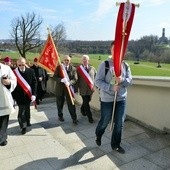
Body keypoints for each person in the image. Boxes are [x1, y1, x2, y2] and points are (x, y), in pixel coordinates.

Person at [95, 41, 132, 154]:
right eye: (114, 49)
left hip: (121, 99)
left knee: (119, 123)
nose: (116, 52)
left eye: (119, 50)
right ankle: (99, 134)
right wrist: (111, 87)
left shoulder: (125, 65)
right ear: (111, 51)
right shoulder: (105, 64)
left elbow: (130, 80)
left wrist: (123, 80)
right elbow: (97, 81)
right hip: (107, 99)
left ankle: (115, 145)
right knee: (105, 121)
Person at [12, 57, 37, 134]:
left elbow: (34, 83)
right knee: (21, 112)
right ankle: (23, 126)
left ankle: (28, 121)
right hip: (19, 97)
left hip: (28, 95)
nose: (21, 66)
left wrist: (34, 94)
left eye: (23, 64)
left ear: (25, 63)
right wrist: (12, 98)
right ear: (17, 64)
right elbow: (12, 86)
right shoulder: (13, 73)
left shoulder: (31, 71)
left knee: (27, 109)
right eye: (19, 65)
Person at [53, 55, 78, 125]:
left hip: (69, 89)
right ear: (63, 60)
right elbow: (54, 77)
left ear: (70, 61)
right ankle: (60, 116)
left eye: (68, 60)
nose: (66, 61)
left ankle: (74, 118)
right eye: (65, 60)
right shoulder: (59, 68)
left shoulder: (73, 69)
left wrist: (69, 83)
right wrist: (61, 80)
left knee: (71, 104)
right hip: (59, 89)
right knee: (59, 104)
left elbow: (75, 79)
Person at [0, 63, 17, 146]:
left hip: (4, 99)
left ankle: (2, 139)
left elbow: (14, 80)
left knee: (4, 120)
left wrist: (8, 82)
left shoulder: (6, 68)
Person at [77, 55, 96, 123]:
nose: (85, 61)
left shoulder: (92, 68)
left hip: (90, 90)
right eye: (83, 59)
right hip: (83, 89)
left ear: (88, 61)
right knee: (86, 104)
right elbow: (77, 80)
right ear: (82, 61)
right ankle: (90, 118)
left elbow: (96, 77)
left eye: (86, 59)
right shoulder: (79, 69)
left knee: (87, 101)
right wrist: (77, 89)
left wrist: (95, 86)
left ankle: (82, 109)